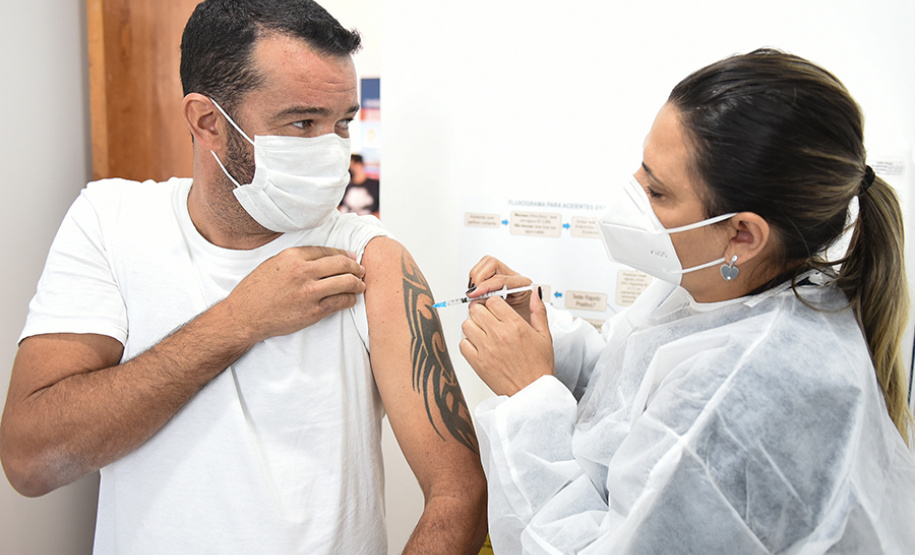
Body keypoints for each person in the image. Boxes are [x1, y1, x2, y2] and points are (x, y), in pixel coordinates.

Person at [0, 1, 486, 553]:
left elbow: (459, 493)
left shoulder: (368, 259)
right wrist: (239, 320)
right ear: (207, 121)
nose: (333, 152)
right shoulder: (110, 223)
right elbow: (29, 461)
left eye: (343, 123)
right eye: (302, 123)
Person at [459, 49, 915, 553]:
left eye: (656, 191)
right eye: (642, 169)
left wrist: (529, 397)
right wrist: (545, 342)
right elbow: (628, 388)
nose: (631, 195)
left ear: (742, 234)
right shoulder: (728, 288)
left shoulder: (747, 392)